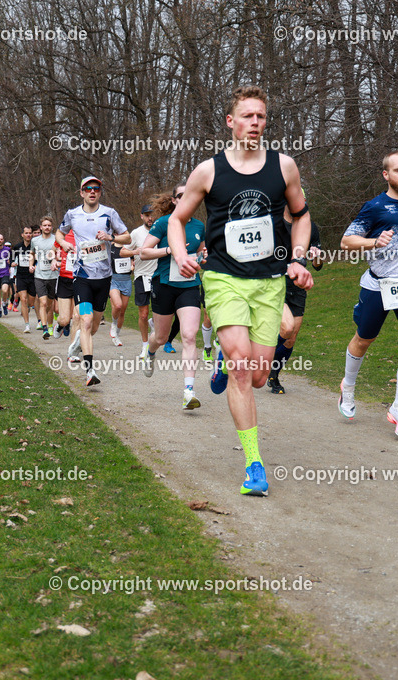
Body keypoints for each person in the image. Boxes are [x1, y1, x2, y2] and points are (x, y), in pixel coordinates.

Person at [169, 85, 314, 497]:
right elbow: (178, 220)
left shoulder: (283, 167)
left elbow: (301, 216)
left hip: (268, 283)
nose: (255, 123)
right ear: (231, 123)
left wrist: (298, 259)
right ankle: (254, 464)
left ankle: (222, 357)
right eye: (247, 116)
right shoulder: (208, 171)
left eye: (261, 117)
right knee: (240, 365)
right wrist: (180, 254)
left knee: (259, 374)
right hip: (223, 278)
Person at [338, 150, 398, 440]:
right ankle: (349, 387)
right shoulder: (375, 207)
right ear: (386, 175)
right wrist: (373, 241)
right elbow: (346, 242)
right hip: (378, 286)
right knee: (363, 340)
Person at [56, 175, 130, 386]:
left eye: (96, 188)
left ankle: (78, 342)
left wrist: (111, 238)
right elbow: (59, 233)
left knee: (94, 327)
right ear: (81, 192)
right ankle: (90, 371)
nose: (92, 191)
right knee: (86, 321)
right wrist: (64, 244)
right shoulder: (72, 214)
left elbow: (128, 237)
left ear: (100, 192)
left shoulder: (109, 213)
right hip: (82, 276)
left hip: (104, 277)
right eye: (88, 188)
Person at [139, 183, 205, 410]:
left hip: (189, 285)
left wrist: (202, 259)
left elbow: (202, 254)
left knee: (188, 335)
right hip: (164, 284)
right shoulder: (163, 223)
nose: (186, 198)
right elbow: (144, 252)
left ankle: (189, 391)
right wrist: (171, 250)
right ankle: (150, 350)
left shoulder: (199, 226)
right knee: (161, 337)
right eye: (180, 195)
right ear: (174, 200)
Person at [267, 204, 325, 394]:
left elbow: (317, 265)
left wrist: (317, 257)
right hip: (276, 283)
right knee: (287, 327)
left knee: (291, 338)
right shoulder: (274, 223)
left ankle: (273, 375)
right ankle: (260, 363)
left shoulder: (310, 226)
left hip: (298, 285)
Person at [125, 205, 157, 357]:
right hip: (142, 276)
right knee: (143, 314)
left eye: (152, 214)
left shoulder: (162, 229)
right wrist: (134, 251)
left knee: (163, 312)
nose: (150, 217)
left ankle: (154, 323)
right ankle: (145, 345)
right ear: (142, 216)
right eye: (147, 215)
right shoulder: (136, 233)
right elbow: (123, 251)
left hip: (159, 276)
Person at [30, 217, 59, 339]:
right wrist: (31, 265)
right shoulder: (35, 241)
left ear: (51, 227)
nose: (47, 227)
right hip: (39, 275)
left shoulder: (56, 239)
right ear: (41, 227)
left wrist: (56, 260)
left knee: (50, 304)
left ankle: (51, 324)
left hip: (53, 276)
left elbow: (60, 254)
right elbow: (32, 254)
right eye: (44, 225)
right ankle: (45, 328)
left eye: (49, 225)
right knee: (42, 302)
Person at [54, 228, 77, 346]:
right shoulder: (64, 235)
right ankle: (60, 325)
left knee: (76, 317)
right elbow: (54, 249)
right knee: (64, 319)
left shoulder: (88, 235)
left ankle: (74, 348)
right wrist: (54, 260)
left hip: (81, 280)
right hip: (65, 279)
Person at [12, 225, 36, 332]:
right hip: (21, 276)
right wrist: (12, 263)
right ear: (22, 235)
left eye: (30, 233)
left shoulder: (35, 246)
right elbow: (11, 259)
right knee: (23, 299)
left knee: (31, 302)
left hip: (32, 277)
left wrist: (35, 266)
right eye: (26, 233)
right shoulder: (17, 247)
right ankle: (27, 325)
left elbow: (39, 259)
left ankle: (28, 308)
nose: (28, 235)